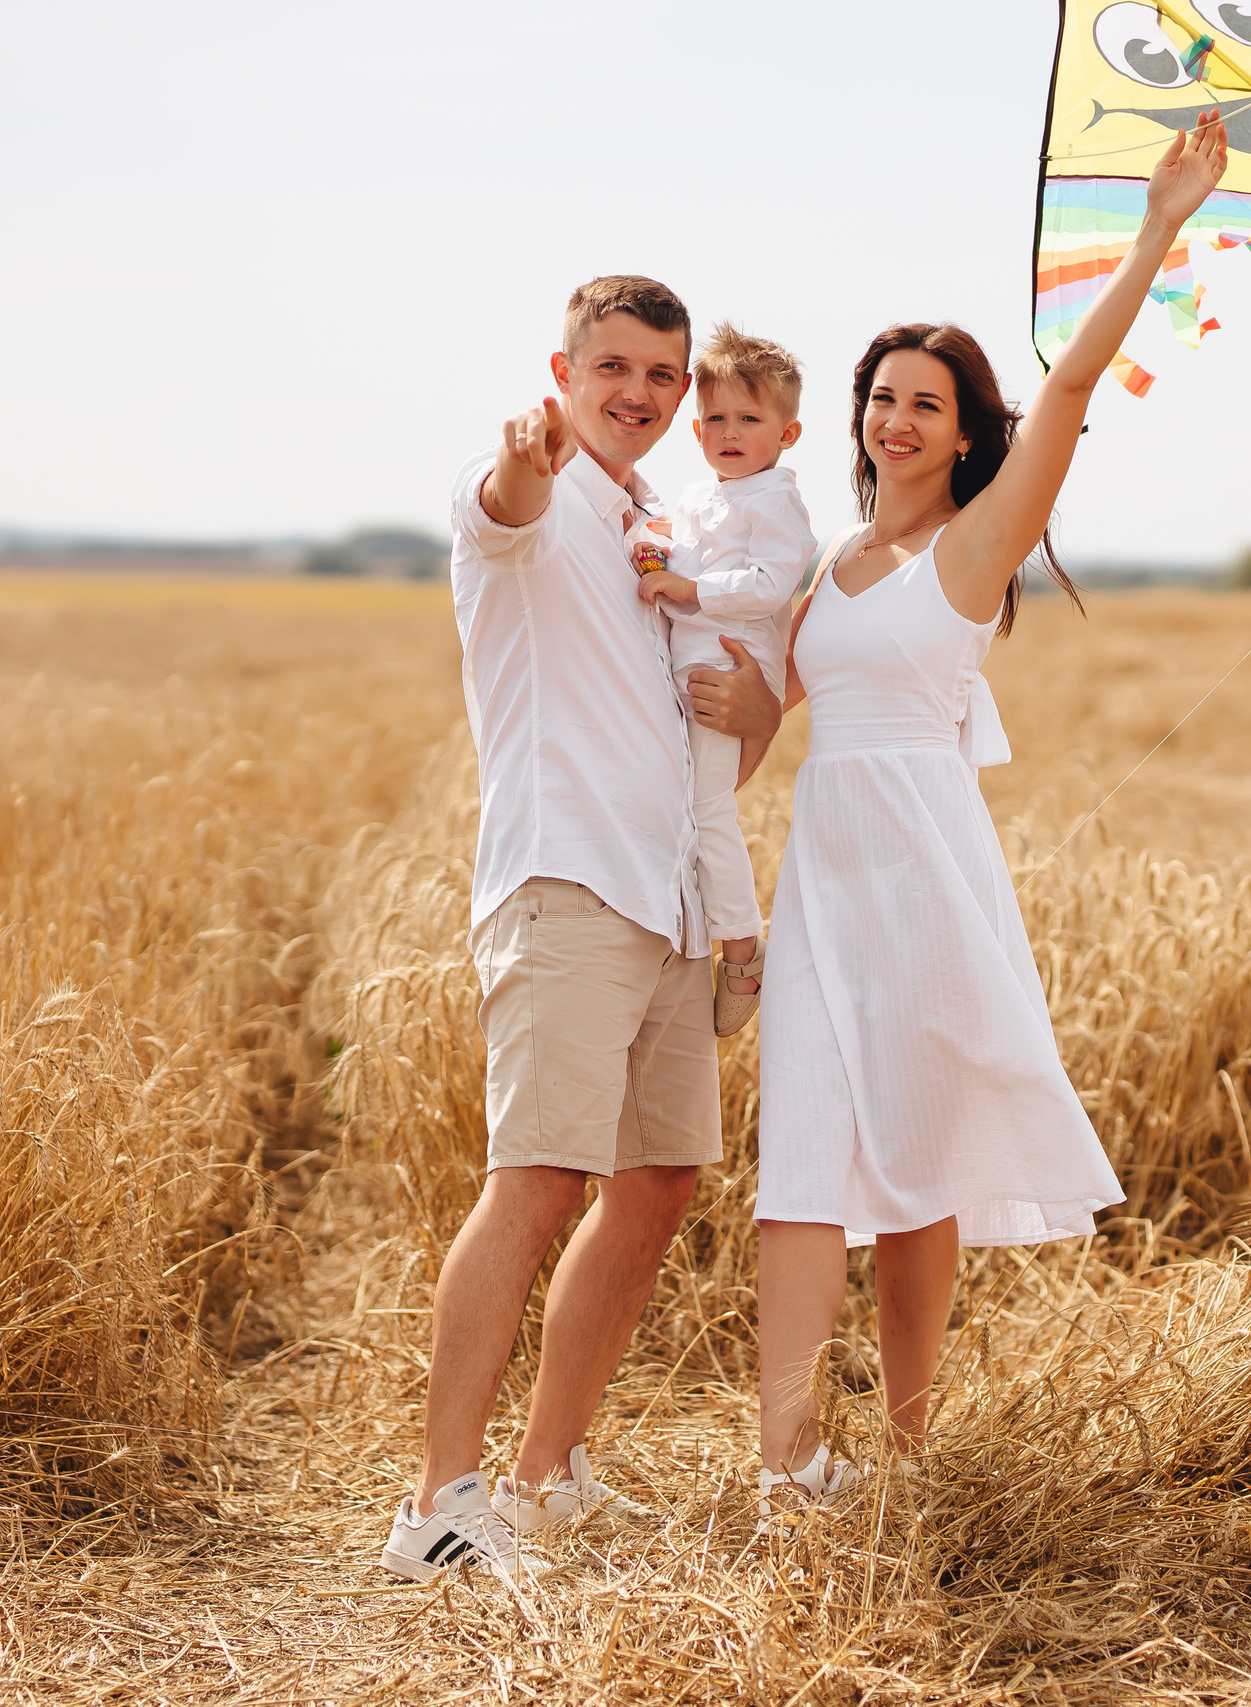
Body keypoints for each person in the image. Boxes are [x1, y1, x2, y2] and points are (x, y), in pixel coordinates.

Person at [750, 113, 1232, 1518]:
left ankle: (904, 1447)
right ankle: (788, 1463)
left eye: (924, 403)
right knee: (799, 1158)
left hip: (920, 874)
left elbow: (1070, 391)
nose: (895, 419)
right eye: (880, 397)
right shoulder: (829, 560)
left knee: (915, 1162)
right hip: (817, 873)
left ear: (963, 434)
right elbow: (757, 703)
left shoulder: (971, 551)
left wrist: (1157, 228)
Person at [379, 275, 783, 1583]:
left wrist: (753, 708)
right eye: (614, 367)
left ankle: (546, 1480)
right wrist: (520, 465)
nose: (643, 394)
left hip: (666, 897)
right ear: (563, 371)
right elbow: (502, 507)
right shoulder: (521, 501)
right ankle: (438, 1506)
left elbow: (718, 736)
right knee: (540, 1177)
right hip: (565, 886)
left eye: (664, 375)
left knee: (660, 1183)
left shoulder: (663, 528)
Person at [627, 323, 818, 1037]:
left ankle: (742, 947)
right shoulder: (704, 495)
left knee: (707, 808)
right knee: (680, 804)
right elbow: (671, 540)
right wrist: (651, 544)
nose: (728, 433)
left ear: (787, 433)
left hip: (728, 668)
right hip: (688, 666)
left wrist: (688, 589)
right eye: (714, 419)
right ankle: (687, 924)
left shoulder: (775, 502)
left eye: (749, 418)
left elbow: (772, 584)